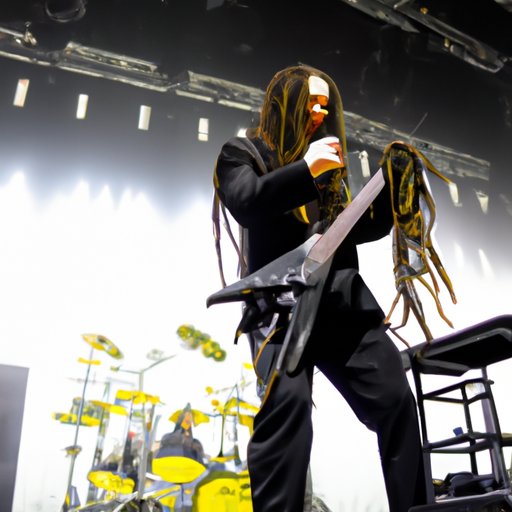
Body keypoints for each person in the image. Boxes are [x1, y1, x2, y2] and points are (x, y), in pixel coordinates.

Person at [211, 64, 427, 512]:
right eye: (311, 102)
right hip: (281, 313)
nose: (320, 112)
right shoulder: (240, 153)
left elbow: (350, 230)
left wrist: (389, 192)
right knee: (287, 409)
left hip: (340, 306)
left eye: (326, 105)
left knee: (395, 399)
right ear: (284, 101)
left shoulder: (329, 168)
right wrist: (306, 170)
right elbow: (247, 202)